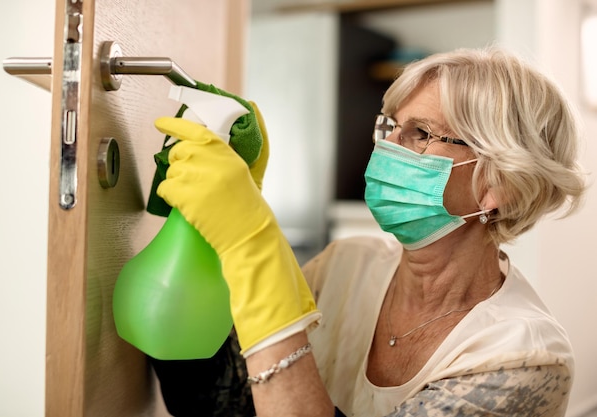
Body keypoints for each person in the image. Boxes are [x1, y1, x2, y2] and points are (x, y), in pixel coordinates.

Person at [153, 46, 586, 416]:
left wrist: (254, 252)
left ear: (500, 183)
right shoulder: (346, 265)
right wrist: (202, 238)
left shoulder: (522, 358)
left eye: (419, 133)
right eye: (390, 126)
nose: (386, 146)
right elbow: (219, 402)